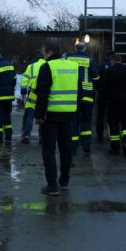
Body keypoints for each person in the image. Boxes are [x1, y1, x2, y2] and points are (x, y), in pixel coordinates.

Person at [34, 42, 81, 196]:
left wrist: (39, 115)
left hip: (51, 115)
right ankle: (64, 181)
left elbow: (42, 93)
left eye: (43, 50)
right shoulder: (73, 67)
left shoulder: (47, 67)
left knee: (48, 150)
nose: (42, 52)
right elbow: (78, 91)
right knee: (66, 149)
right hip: (69, 114)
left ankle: (52, 185)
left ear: (49, 51)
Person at [66, 42, 100, 155]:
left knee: (73, 121)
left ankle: (73, 146)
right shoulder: (89, 60)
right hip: (87, 95)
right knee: (86, 121)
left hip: (73, 94)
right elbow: (96, 77)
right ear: (85, 49)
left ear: (75, 48)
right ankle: (86, 145)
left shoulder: (69, 60)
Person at [102, 53, 126, 156]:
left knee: (113, 124)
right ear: (120, 60)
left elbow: (104, 88)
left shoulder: (108, 72)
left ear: (112, 61)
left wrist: (104, 100)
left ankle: (115, 147)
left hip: (113, 101)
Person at [19, 51, 46, 144]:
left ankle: (26, 135)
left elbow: (24, 80)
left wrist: (23, 93)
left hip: (33, 92)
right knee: (43, 115)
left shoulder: (31, 66)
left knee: (30, 115)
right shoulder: (49, 65)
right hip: (45, 93)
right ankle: (42, 137)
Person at [95, 50, 114, 142]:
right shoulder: (114, 67)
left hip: (102, 95)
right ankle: (112, 135)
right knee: (112, 116)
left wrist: (98, 90)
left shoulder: (101, 66)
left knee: (100, 116)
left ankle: (100, 135)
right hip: (112, 95)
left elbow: (97, 79)